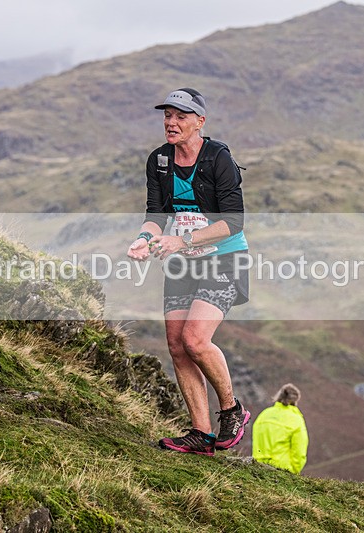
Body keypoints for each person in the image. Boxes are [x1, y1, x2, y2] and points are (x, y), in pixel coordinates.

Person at [127, 88, 251, 456]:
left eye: (181, 116)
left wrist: (182, 241)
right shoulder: (159, 160)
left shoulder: (218, 158)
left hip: (224, 258)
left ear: (200, 122)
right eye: (167, 115)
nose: (171, 122)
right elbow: (156, 214)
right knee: (178, 346)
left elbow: (233, 222)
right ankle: (201, 434)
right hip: (182, 262)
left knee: (195, 339)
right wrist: (143, 239)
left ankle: (232, 409)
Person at [252, 383, 309, 474]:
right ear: (296, 400)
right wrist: (294, 470)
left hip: (258, 467)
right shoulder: (296, 420)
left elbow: (256, 441)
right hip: (283, 468)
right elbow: (299, 451)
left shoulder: (263, 415)